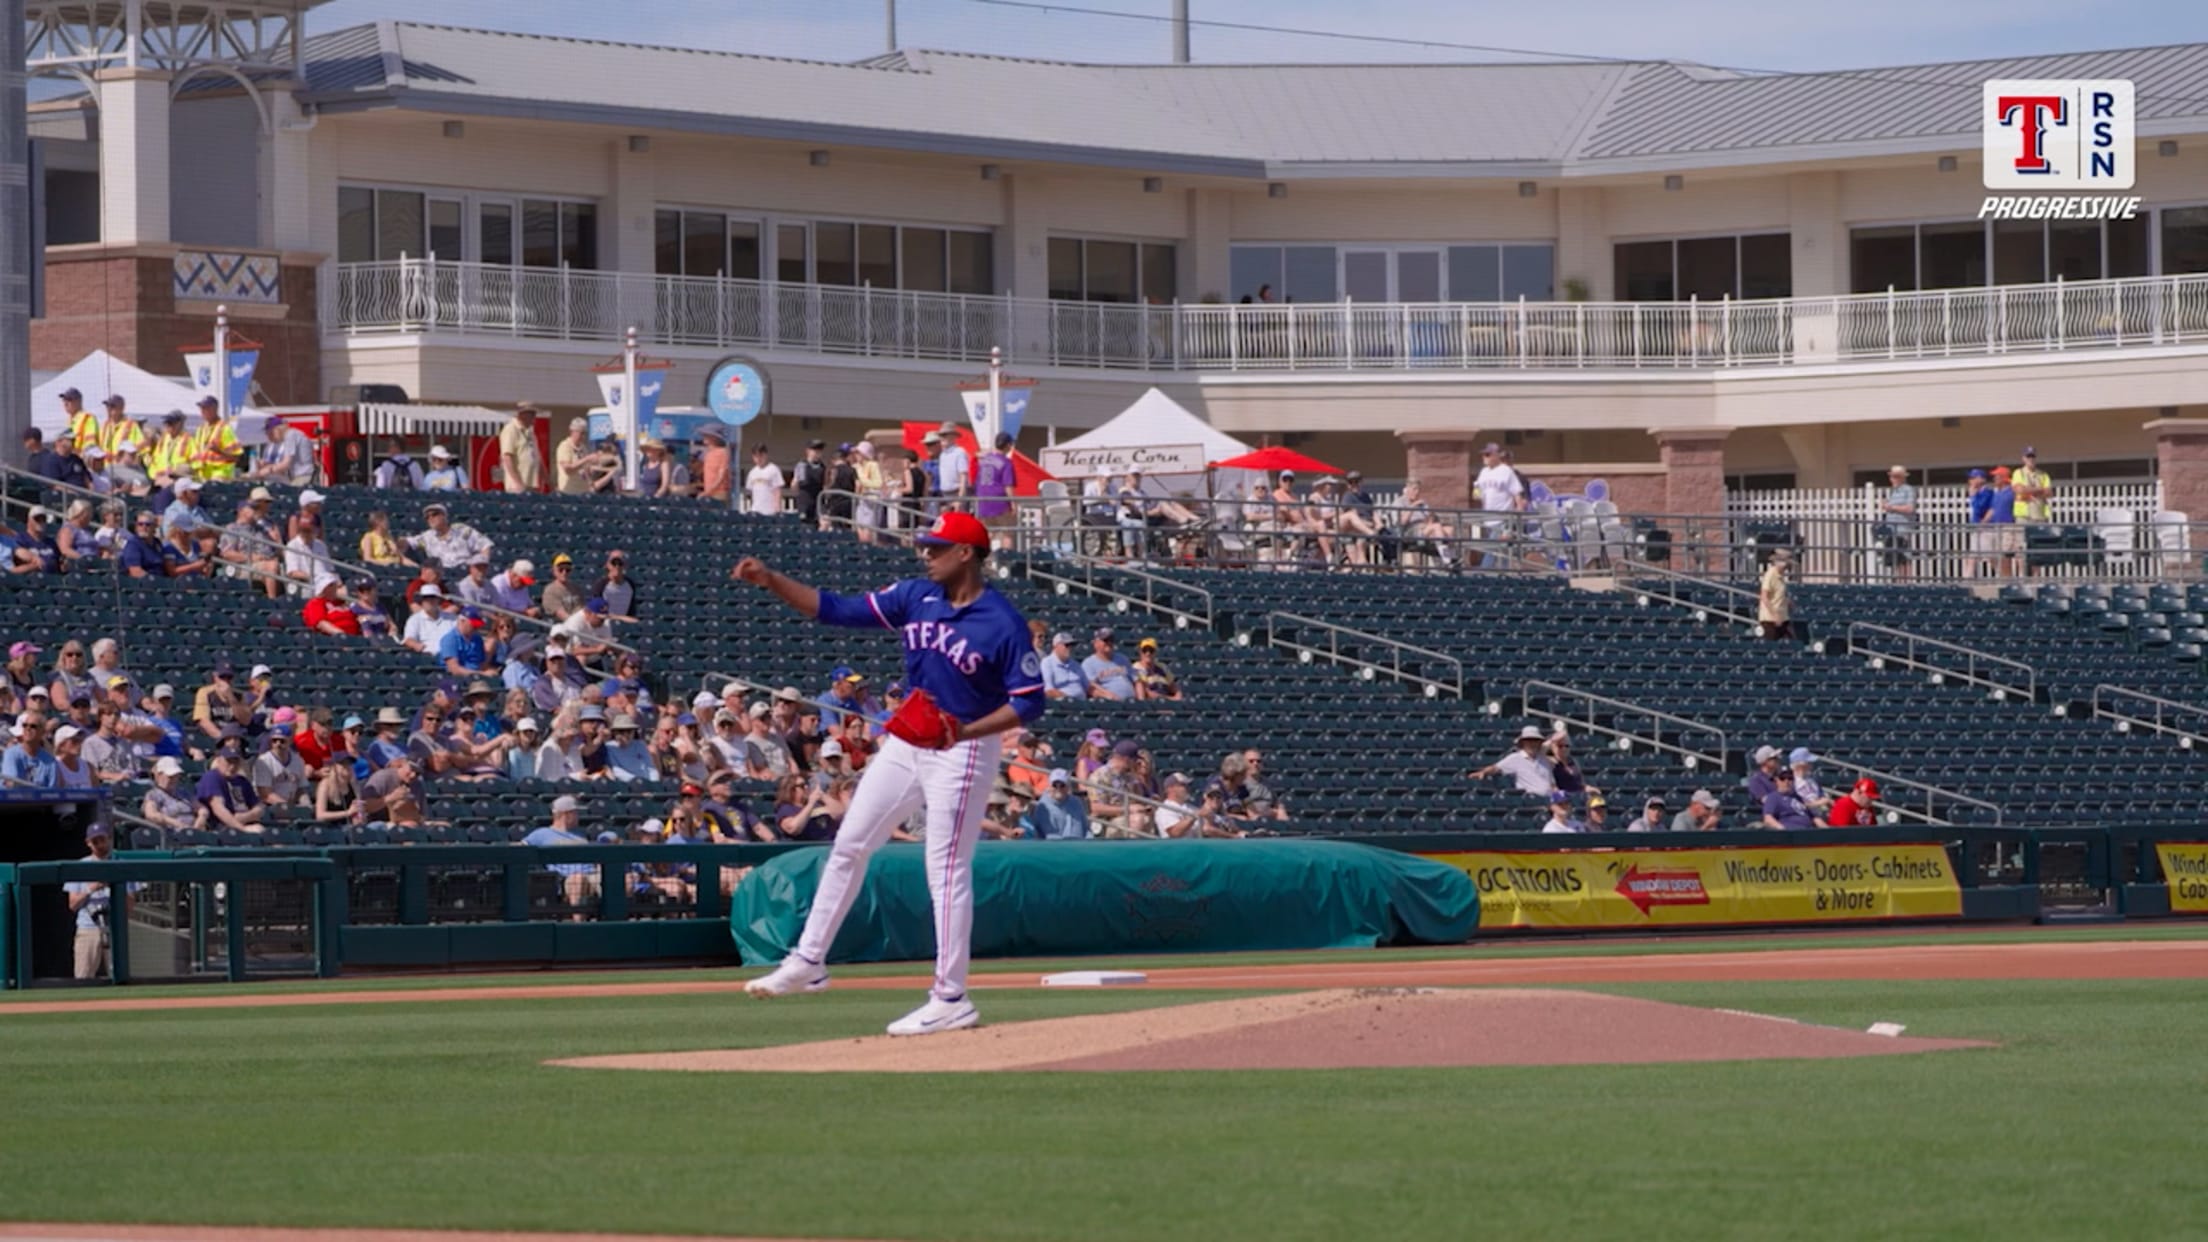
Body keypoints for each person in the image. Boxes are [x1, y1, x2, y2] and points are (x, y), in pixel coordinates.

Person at [733, 509, 1043, 1035]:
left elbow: (1030, 701)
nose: (926, 554)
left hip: (964, 748)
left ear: (966, 553)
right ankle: (809, 960)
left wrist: (966, 732)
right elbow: (834, 609)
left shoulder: (1001, 621)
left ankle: (951, 997)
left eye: (936, 547)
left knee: (945, 869)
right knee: (850, 843)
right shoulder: (915, 596)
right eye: (925, 545)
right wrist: (771, 580)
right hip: (909, 740)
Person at [65, 823, 122, 979]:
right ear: (88, 843)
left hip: (114, 928)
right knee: (83, 977)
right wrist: (91, 888)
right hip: (88, 927)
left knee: (119, 976)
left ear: (109, 839)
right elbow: (73, 905)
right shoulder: (80, 866)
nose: (99, 844)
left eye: (102, 840)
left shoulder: (120, 863)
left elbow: (129, 904)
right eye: (95, 841)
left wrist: (113, 886)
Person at [1473, 442, 1525, 569]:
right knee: (1501, 550)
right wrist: (1476, 492)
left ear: (1496, 455)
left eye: (1487, 454)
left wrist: (1519, 510)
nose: (1484, 457)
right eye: (1483, 455)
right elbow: (1477, 493)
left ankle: (1483, 571)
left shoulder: (1506, 471)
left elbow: (1517, 493)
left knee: (1493, 547)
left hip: (1503, 517)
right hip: (1487, 518)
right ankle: (1505, 573)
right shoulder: (1483, 472)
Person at [1469, 725, 1557, 796]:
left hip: (1551, 800)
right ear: (1523, 743)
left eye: (1535, 740)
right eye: (1528, 740)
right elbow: (1496, 768)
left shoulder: (1545, 760)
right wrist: (1483, 772)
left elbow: (1551, 783)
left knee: (1563, 798)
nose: (1532, 743)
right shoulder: (1515, 758)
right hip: (1531, 800)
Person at [406, 502, 493, 570]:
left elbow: (485, 545)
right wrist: (410, 563)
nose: (430, 518)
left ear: (444, 516)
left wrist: (481, 566)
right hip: (441, 577)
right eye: (427, 517)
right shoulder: (426, 537)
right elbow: (404, 543)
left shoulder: (462, 530)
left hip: (465, 572)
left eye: (434, 514)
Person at [1022, 769, 1091, 840]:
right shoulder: (1043, 807)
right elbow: (1050, 836)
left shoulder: (1076, 802)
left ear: (1068, 787)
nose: (1058, 788)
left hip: (1080, 844)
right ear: (1049, 787)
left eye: (1062, 785)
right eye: (1054, 785)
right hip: (1054, 845)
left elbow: (1086, 829)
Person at [1878, 464, 1918, 581]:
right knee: (1897, 557)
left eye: (1895, 476)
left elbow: (1910, 508)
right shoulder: (1894, 491)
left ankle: (1906, 582)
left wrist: (1891, 507)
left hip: (1902, 528)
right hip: (1892, 529)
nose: (1892, 479)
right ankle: (1901, 581)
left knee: (1904, 556)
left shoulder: (1908, 490)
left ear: (1902, 478)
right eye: (1892, 476)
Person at [254, 419, 317, 487]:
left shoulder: (290, 436)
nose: (269, 437)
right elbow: (287, 464)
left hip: (303, 476)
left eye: (270, 434)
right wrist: (268, 464)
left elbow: (285, 464)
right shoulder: (293, 434)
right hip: (303, 475)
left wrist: (268, 470)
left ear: (277, 430)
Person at [975, 433, 1016, 536]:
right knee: (1007, 534)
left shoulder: (985, 460)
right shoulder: (1006, 462)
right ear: (1008, 445)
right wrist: (1013, 503)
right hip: (999, 503)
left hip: (983, 502)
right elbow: (1008, 485)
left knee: (988, 534)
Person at [1081, 628, 1137, 701]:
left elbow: (1136, 681)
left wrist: (1140, 700)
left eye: (1111, 640)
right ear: (1095, 643)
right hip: (1108, 703)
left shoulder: (1123, 659)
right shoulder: (1088, 663)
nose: (1109, 643)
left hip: (1131, 702)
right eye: (1105, 640)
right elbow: (1090, 688)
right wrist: (1107, 695)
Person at [500, 403, 543, 494]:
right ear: (522, 415)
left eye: (534, 414)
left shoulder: (530, 433)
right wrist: (517, 483)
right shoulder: (511, 429)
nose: (534, 417)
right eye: (531, 414)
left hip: (531, 484)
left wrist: (548, 482)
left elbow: (538, 459)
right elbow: (507, 457)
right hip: (517, 486)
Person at [1987, 466, 2021, 577]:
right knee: (1992, 555)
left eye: (1996, 477)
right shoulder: (1997, 493)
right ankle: (2004, 576)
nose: (1994, 479)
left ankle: (2008, 578)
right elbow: (1992, 509)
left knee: (2006, 554)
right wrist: (1984, 522)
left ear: (2003, 478)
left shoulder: (2011, 491)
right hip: (1995, 527)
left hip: (2008, 526)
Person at [1964, 469, 1996, 579]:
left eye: (1973, 478)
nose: (1970, 480)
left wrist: (1973, 496)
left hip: (1985, 528)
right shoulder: (1977, 493)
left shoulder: (1987, 493)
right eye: (1970, 478)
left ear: (1982, 479)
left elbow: (1980, 508)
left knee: (1990, 557)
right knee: (1973, 556)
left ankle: (2003, 577)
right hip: (1976, 528)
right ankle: (1968, 578)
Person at [1758, 548, 1795, 641]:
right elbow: (1764, 597)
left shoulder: (1781, 576)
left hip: (1783, 617)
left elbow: (1779, 593)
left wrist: (1788, 601)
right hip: (1770, 620)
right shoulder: (1770, 575)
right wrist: (1774, 615)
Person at [1039, 631, 1089, 699]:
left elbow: (1088, 687)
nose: (1070, 648)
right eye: (1066, 645)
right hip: (1063, 703)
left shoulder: (1075, 664)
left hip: (1081, 703)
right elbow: (1049, 690)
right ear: (1056, 646)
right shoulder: (1047, 663)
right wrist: (1070, 700)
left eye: (1071, 645)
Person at [1132, 637, 1184, 702]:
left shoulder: (1162, 667)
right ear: (1140, 652)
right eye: (1144, 650)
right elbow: (1148, 693)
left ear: (1155, 652)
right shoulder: (1136, 668)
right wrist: (1171, 699)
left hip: (1168, 702)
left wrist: (1178, 696)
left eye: (1151, 650)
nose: (1148, 653)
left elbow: (1174, 687)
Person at [2013, 446, 2053, 524]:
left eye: (2033, 456)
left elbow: (2049, 492)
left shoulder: (2043, 474)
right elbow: (2020, 490)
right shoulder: (2019, 473)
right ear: (2023, 458)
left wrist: (2028, 490)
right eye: (2028, 456)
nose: (2031, 459)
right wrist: (2039, 489)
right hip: (2023, 517)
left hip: (2040, 516)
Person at [792, 438, 827, 524]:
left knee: (824, 522)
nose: (818, 453)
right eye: (815, 450)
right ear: (808, 451)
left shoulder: (822, 466)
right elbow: (795, 484)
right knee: (805, 524)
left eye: (820, 451)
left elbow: (825, 484)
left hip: (818, 500)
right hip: (805, 500)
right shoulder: (802, 465)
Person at [745, 444, 785, 517]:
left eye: (761, 456)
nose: (758, 459)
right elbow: (751, 493)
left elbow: (777, 491)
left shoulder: (773, 469)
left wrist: (777, 509)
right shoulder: (752, 472)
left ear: (765, 455)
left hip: (770, 512)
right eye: (756, 456)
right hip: (755, 511)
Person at [1789, 748, 1832, 815]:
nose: (1811, 765)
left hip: (1819, 814)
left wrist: (1827, 801)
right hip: (1801, 816)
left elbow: (1822, 796)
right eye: (1809, 763)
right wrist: (1817, 803)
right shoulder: (1790, 781)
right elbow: (1794, 804)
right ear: (1801, 765)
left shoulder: (1813, 780)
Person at [696, 427, 733, 505]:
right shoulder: (708, 453)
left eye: (706, 435)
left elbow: (721, 477)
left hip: (719, 495)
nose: (704, 437)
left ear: (714, 438)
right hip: (709, 494)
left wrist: (707, 493)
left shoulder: (723, 452)